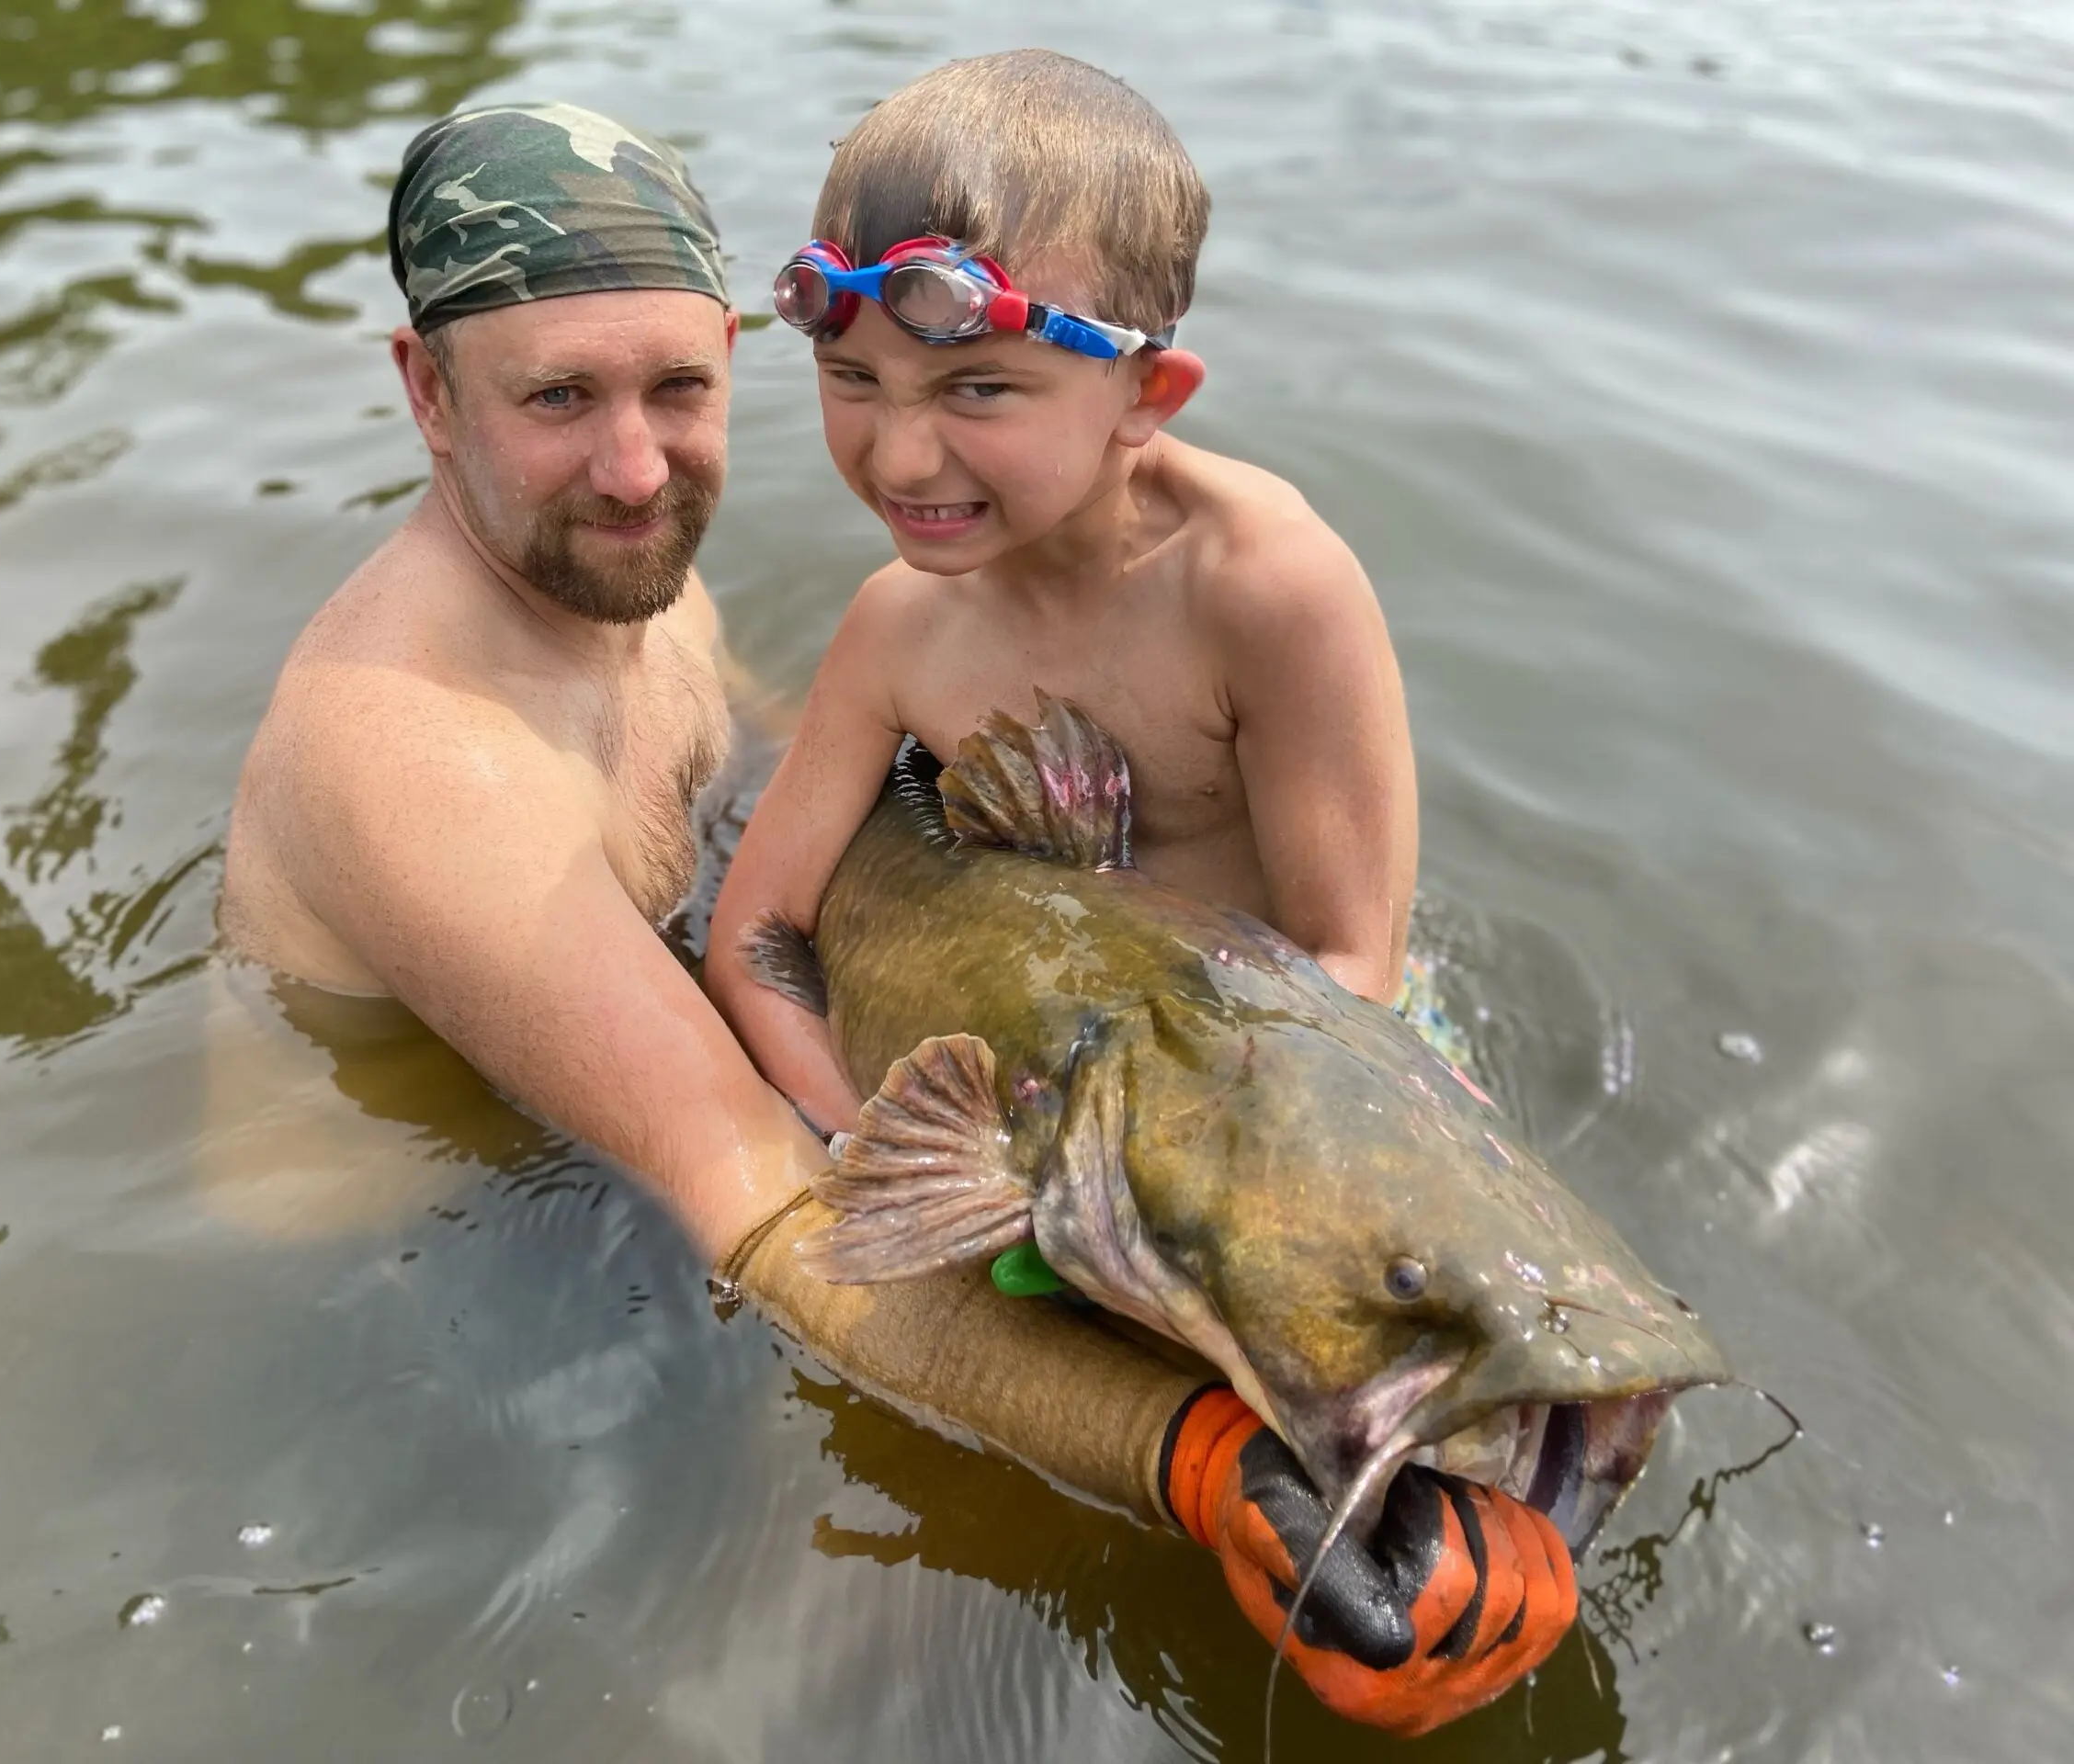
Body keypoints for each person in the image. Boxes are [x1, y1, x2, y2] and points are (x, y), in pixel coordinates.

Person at [219, 98, 1565, 1736]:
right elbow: (759, 1201)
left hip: (660, 1087)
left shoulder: (624, 568)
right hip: (460, 1271)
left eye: (678, 390)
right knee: (824, 1624)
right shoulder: (416, 755)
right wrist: (1209, 1461)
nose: (637, 465)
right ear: (428, 393)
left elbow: (814, 803)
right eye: (557, 396)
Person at [706, 50, 1419, 1148]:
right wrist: (869, 1142)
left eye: (976, 388)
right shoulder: (899, 626)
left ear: (1146, 394)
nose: (898, 460)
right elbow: (755, 935)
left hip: (1263, 1078)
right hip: (1040, 1085)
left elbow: (1351, 976)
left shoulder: (1265, 590)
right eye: (851, 380)